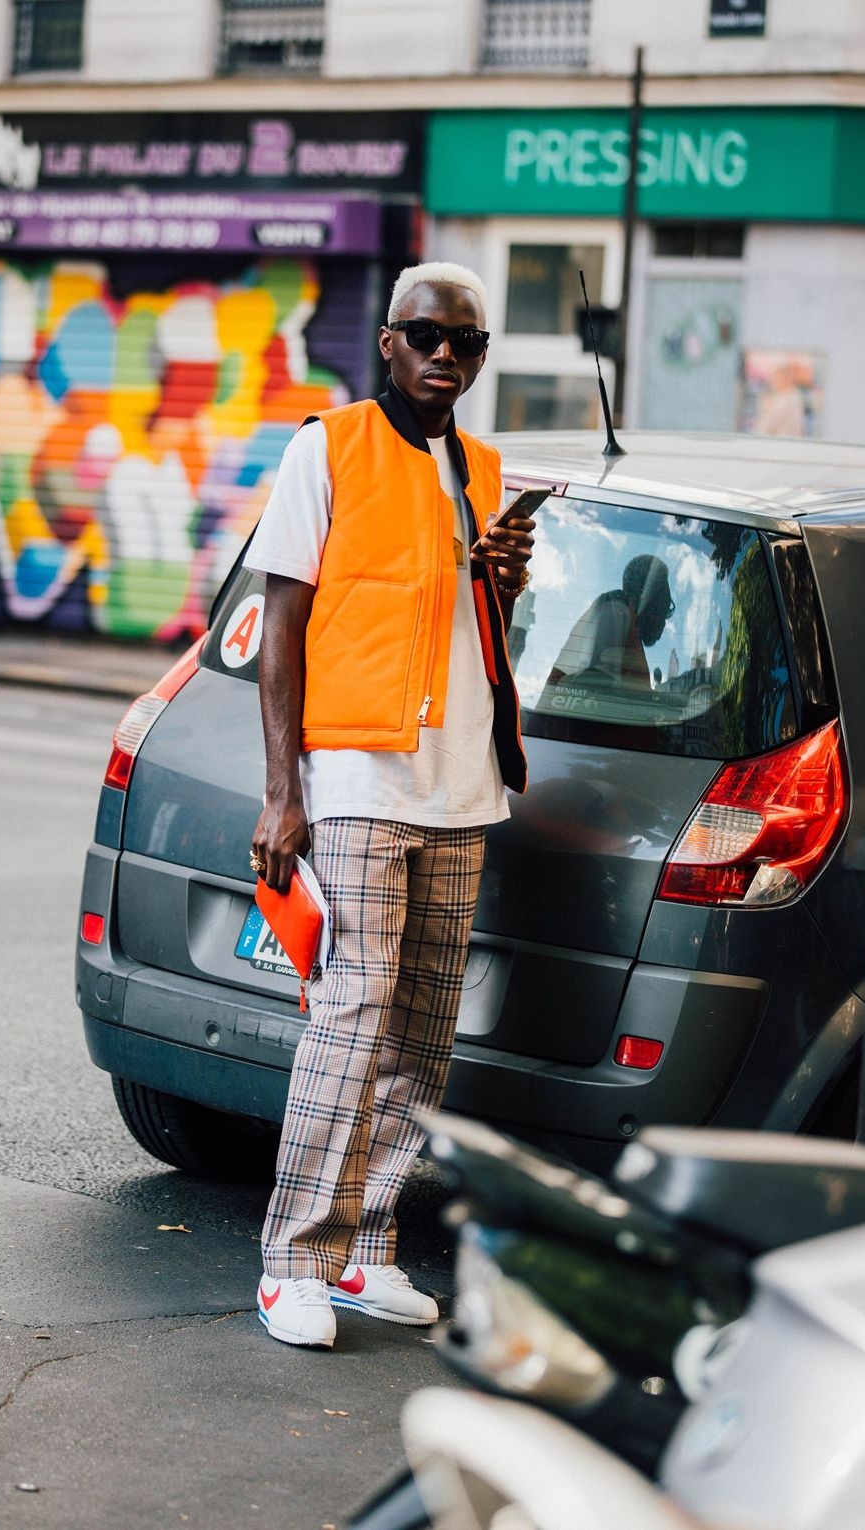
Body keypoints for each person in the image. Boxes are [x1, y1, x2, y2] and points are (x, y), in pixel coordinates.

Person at [245, 261, 534, 1348]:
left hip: (465, 784)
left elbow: (476, 635)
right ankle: (294, 1261)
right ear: (389, 342)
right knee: (353, 1015)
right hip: (361, 774)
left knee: (423, 1031)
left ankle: (366, 1251)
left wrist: (501, 579)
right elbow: (282, 627)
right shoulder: (327, 448)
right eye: (426, 336)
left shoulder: (486, 470)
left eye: (465, 342)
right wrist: (285, 791)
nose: (444, 356)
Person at [544, 554, 674, 694]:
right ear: (655, 599)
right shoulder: (616, 611)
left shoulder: (624, 620)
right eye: (664, 601)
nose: (664, 620)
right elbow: (595, 688)